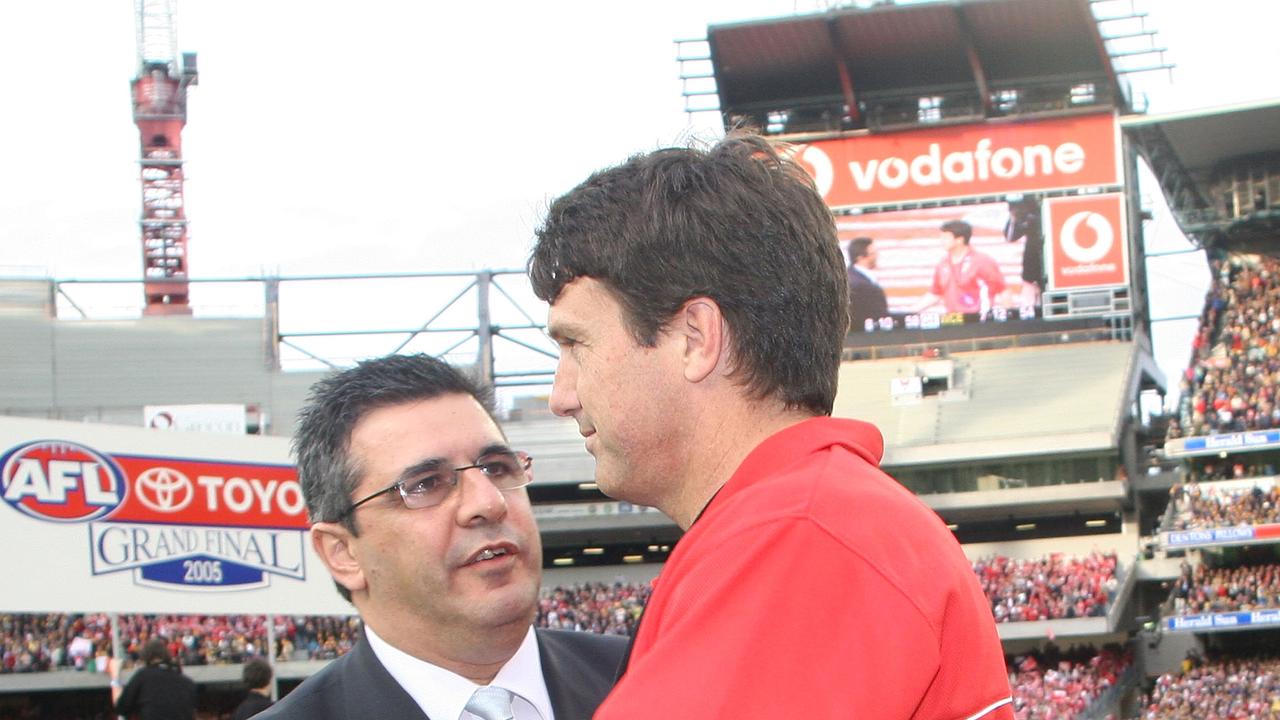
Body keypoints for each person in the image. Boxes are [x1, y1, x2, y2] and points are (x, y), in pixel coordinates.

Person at [530, 133, 1013, 718]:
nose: (561, 396)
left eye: (576, 344)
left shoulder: (799, 533)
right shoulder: (813, 518)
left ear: (695, 338)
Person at [260, 354, 626, 720]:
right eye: (426, 484)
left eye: (497, 468)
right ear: (343, 553)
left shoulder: (642, 679)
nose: (489, 501)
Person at [913, 219, 1011, 315]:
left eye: (946, 238)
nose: (941, 241)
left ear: (959, 240)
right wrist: (910, 312)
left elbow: (1003, 290)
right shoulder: (943, 263)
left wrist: (1009, 320)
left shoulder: (982, 262)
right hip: (954, 321)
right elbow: (935, 293)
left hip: (978, 321)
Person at [110, 638, 197, 720]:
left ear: (146, 657)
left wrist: (115, 677)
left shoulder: (143, 675)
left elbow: (121, 708)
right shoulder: (188, 682)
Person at [846, 236, 890, 331]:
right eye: (873, 253)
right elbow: (881, 317)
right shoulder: (863, 286)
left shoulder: (849, 277)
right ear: (860, 258)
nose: (878, 256)